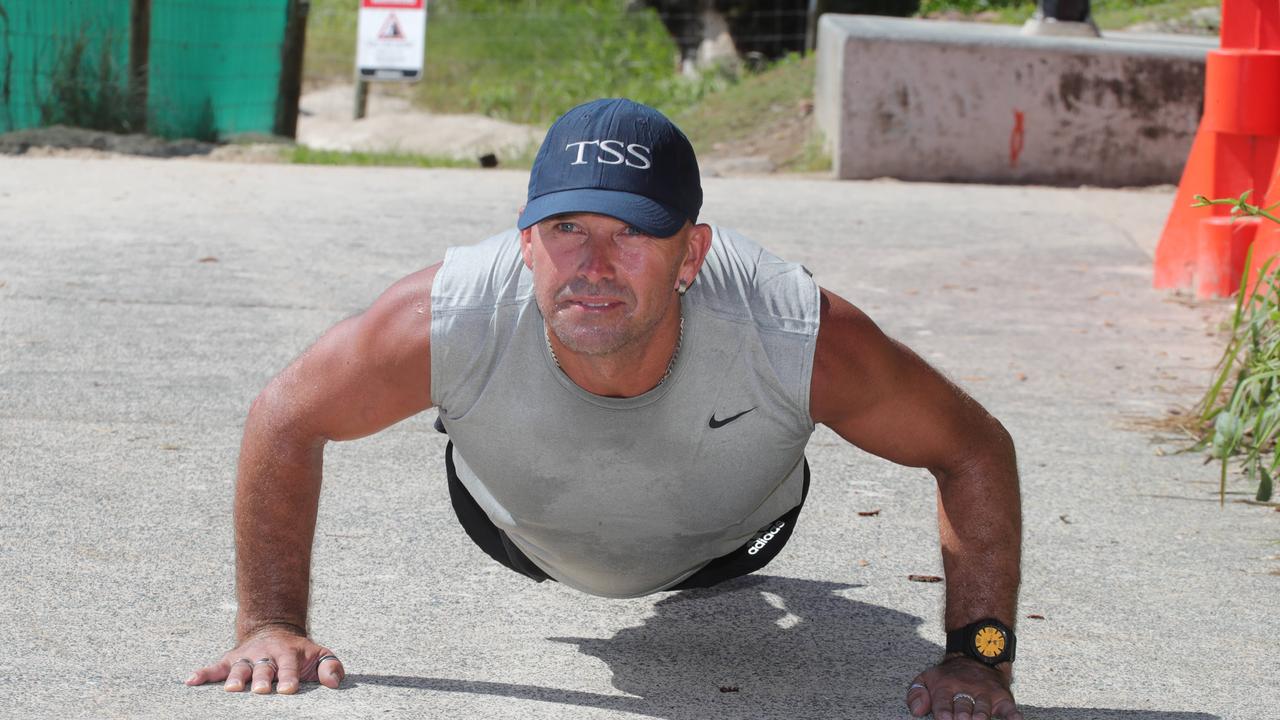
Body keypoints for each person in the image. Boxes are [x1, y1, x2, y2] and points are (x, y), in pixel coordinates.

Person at [185, 98, 1023, 720]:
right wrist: (269, 623)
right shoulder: (446, 315)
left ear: (692, 251)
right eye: (565, 229)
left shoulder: (798, 332)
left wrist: (982, 660)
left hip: (732, 542)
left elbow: (976, 449)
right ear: (524, 242)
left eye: (631, 233)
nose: (592, 264)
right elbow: (285, 416)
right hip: (518, 531)